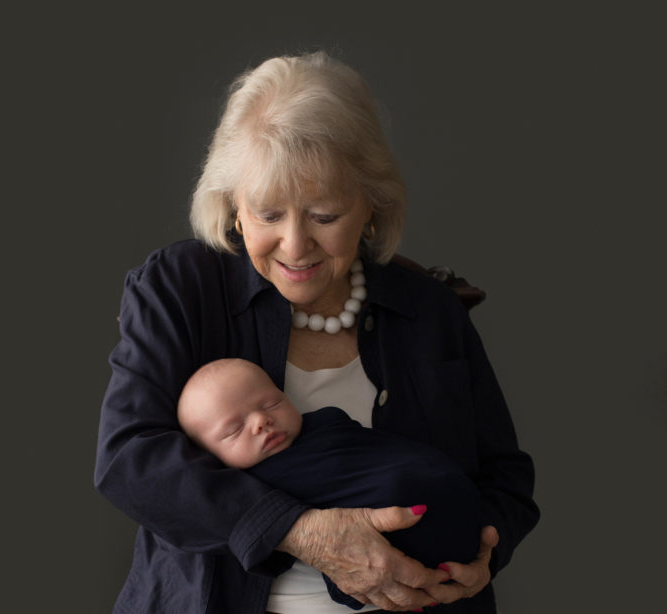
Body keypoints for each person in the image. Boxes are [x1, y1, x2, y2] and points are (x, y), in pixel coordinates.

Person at [95, 51, 539, 614]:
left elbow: (505, 474)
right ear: (233, 208)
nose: (295, 246)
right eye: (268, 214)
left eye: (324, 216)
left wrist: (484, 552)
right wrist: (301, 531)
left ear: (371, 208)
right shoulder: (179, 289)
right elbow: (130, 460)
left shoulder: (427, 309)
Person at [177, 357, 484, 610]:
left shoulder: (328, 425)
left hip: (455, 513)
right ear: (209, 459)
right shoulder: (251, 488)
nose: (260, 421)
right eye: (233, 430)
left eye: (271, 404)